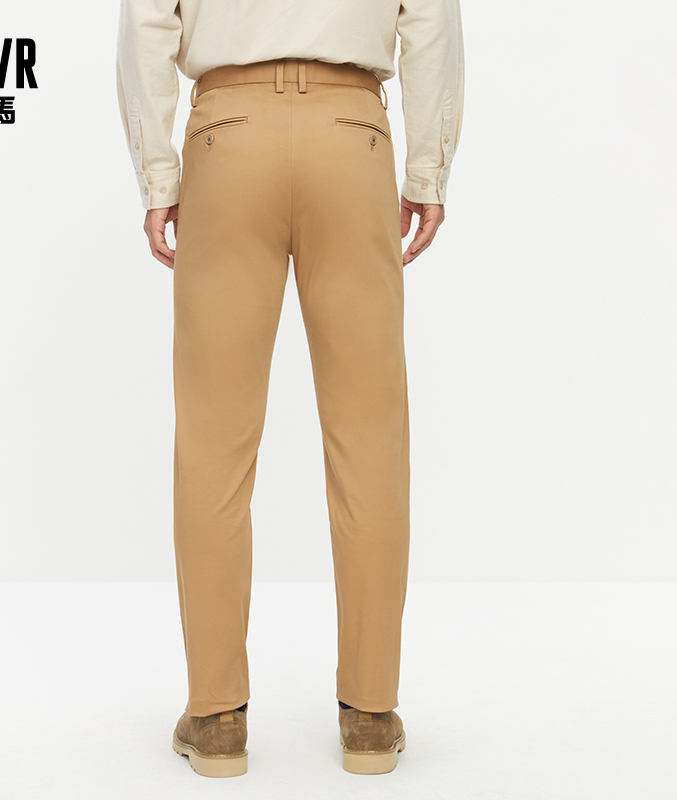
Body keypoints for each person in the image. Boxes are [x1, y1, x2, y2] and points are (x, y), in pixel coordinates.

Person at [116, 0, 464, 778]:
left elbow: (148, 22)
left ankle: (215, 718)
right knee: (370, 437)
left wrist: (159, 176)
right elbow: (430, 21)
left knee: (213, 442)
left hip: (227, 138)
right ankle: (370, 715)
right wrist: (427, 168)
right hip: (352, 137)